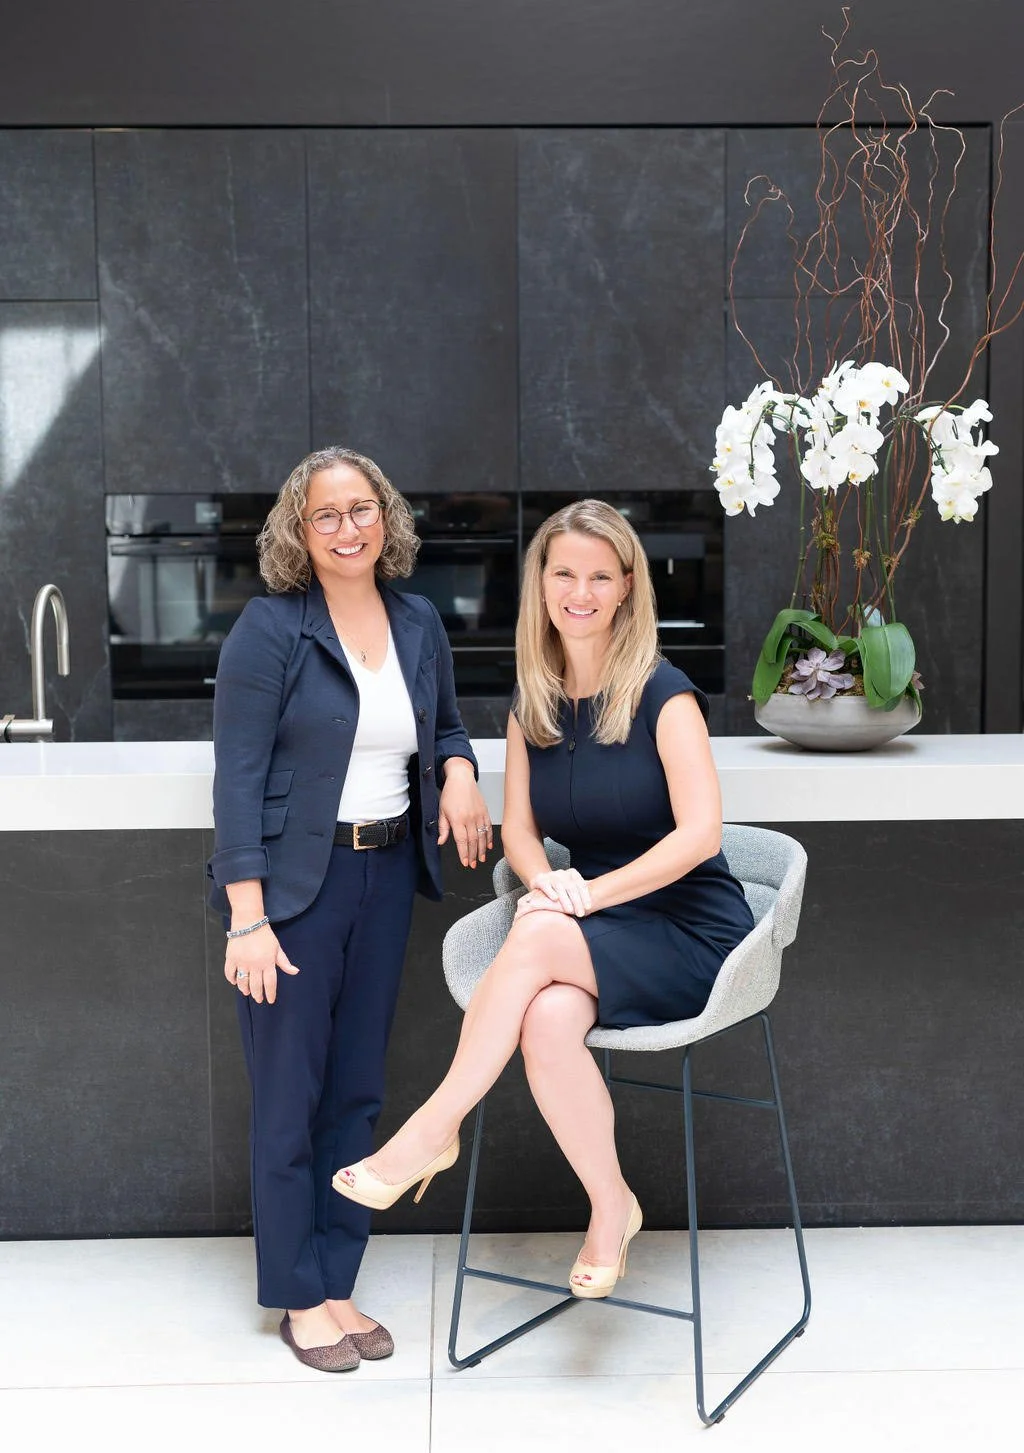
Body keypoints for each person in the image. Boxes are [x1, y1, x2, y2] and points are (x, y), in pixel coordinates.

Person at [333, 498, 755, 1299]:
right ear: (543, 582)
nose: (581, 591)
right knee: (547, 1016)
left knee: (534, 935)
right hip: (597, 922)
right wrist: (545, 881)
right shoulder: (535, 701)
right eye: (565, 572)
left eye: (600, 574)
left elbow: (700, 835)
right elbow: (519, 832)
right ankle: (611, 1205)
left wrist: (582, 897)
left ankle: (432, 1128)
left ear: (628, 586)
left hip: (688, 928)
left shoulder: (666, 695)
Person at [208, 446, 491, 1371]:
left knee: (357, 1091)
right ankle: (299, 1296)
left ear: (387, 517)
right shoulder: (270, 628)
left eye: (361, 508)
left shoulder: (415, 620)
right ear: (299, 529)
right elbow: (238, 780)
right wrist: (246, 916)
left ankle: (337, 1279)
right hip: (294, 892)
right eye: (325, 514)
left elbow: (445, 722)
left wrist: (457, 773)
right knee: (290, 1096)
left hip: (382, 880)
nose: (347, 528)